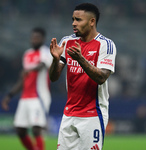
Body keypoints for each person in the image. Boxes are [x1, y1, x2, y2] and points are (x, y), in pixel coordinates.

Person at [49, 3, 116, 150]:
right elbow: (53, 77)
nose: (74, 23)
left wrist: (80, 59)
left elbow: (102, 77)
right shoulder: (67, 41)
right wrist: (55, 60)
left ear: (92, 21)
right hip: (69, 113)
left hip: (93, 114)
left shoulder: (106, 45)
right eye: (73, 19)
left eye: (78, 20)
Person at [1, 27, 52, 150]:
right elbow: (24, 79)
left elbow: (43, 65)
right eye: (33, 37)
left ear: (43, 39)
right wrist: (10, 95)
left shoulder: (46, 52)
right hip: (25, 97)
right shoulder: (27, 54)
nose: (34, 40)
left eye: (37, 38)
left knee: (36, 129)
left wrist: (30, 69)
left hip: (39, 96)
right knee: (20, 130)